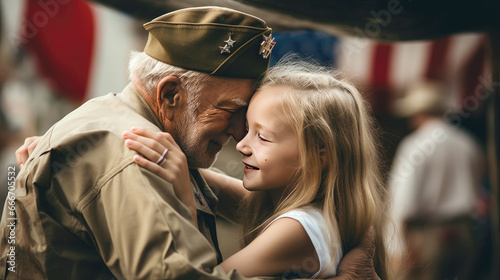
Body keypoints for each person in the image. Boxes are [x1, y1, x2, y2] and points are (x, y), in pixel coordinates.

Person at [6, 6, 379, 280]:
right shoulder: (135, 152)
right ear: (171, 96)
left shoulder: (129, 133)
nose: (238, 135)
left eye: (255, 128)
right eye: (231, 112)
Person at [121, 57, 391, 279]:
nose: (241, 144)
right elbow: (229, 192)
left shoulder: (297, 230)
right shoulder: (318, 212)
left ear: (320, 156)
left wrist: (183, 192)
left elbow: (203, 277)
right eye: (248, 129)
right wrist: (180, 160)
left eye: (263, 137)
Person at [388, 80, 486, 279]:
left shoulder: (415, 145)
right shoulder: (468, 143)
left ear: (417, 113)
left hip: (427, 236)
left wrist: (398, 247)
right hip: (465, 232)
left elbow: (403, 202)